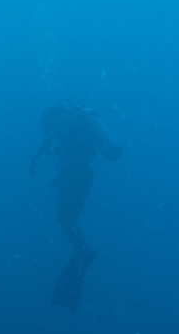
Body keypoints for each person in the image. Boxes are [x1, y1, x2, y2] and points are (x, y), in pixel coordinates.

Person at [31, 104, 122, 310]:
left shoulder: (68, 126)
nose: (47, 130)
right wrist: (56, 177)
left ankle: (82, 249)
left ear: (53, 118)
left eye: (47, 125)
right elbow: (73, 157)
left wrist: (35, 159)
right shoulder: (72, 127)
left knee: (65, 219)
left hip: (76, 176)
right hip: (80, 176)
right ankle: (82, 250)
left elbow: (64, 152)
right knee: (66, 219)